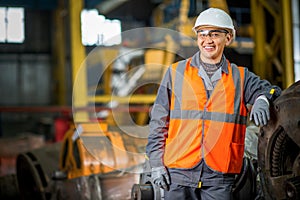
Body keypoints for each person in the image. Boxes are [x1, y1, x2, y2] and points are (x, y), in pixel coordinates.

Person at [145, 7, 281, 200]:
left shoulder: (241, 77)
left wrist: (262, 99)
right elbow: (158, 122)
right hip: (178, 174)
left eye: (215, 34)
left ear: (228, 39)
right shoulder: (176, 73)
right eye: (202, 33)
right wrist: (156, 164)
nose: (207, 40)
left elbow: (271, 90)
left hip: (220, 176)